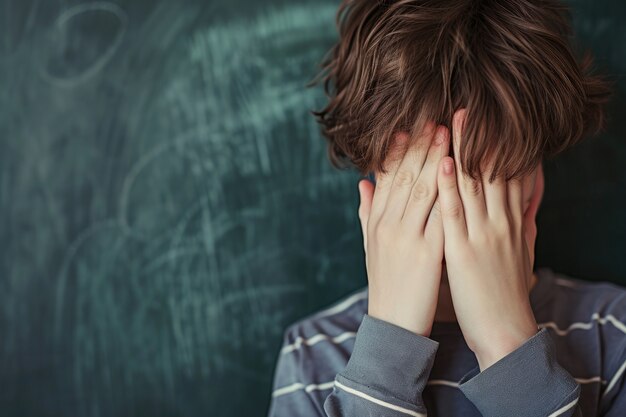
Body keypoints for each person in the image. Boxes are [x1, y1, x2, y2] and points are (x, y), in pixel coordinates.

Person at [267, 1, 624, 416]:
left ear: (534, 186)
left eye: (477, 185)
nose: (447, 211)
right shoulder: (310, 360)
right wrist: (388, 353)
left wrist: (506, 343)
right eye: (419, 182)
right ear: (375, 189)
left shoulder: (613, 338)